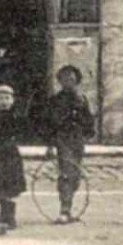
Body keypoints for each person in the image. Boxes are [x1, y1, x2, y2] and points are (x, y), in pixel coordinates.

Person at [45, 65, 93, 224]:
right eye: (65, 79)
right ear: (60, 81)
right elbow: (50, 124)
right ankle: (64, 210)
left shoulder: (82, 99)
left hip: (77, 139)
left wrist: (87, 133)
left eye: (72, 79)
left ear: (77, 81)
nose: (68, 82)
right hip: (62, 139)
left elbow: (88, 120)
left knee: (76, 175)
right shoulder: (55, 101)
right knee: (66, 173)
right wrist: (50, 145)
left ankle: (69, 208)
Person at [0, 84, 26, 235]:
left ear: (13, 100)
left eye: (7, 98)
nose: (4, 101)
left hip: (10, 154)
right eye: (0, 98)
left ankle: (10, 218)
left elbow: (21, 131)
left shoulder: (15, 116)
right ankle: (3, 214)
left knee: (10, 183)